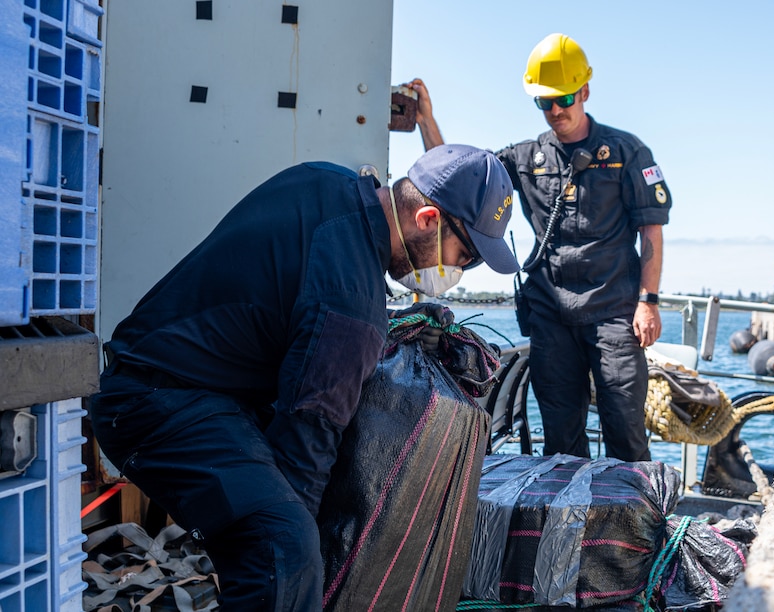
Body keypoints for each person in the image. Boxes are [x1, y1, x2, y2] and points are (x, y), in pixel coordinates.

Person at [89, 144, 519, 610]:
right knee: (283, 549)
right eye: (467, 255)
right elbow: (303, 447)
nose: (458, 270)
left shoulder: (324, 180)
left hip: (178, 379)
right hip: (155, 403)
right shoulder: (353, 300)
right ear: (429, 219)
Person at [406, 33, 671, 462]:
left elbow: (652, 231)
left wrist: (649, 302)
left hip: (613, 311)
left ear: (584, 90)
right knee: (560, 435)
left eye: (563, 98)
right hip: (551, 312)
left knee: (624, 427)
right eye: (543, 102)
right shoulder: (525, 157)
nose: (555, 111)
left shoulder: (627, 152)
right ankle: (568, 526)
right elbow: (453, 176)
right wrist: (426, 120)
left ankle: (633, 524)